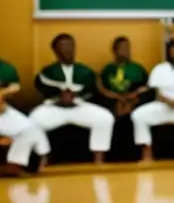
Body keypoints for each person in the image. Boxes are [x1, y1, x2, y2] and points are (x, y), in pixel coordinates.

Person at [30, 33, 115, 164]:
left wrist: (76, 97)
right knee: (33, 120)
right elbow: (43, 88)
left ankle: (99, 160)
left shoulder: (86, 71)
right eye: (63, 47)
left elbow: (92, 91)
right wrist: (59, 97)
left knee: (105, 118)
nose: (68, 49)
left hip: (79, 106)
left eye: (70, 46)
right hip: (55, 108)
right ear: (55, 51)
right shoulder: (47, 72)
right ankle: (43, 159)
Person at [0, 58, 50, 173]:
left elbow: (15, 86)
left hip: (4, 114)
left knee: (30, 130)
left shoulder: (5, 68)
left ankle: (14, 165)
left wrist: (2, 92)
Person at [97, 36, 150, 118]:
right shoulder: (108, 69)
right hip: (114, 100)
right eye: (123, 48)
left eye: (128, 48)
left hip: (133, 98)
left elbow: (147, 85)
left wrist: (135, 94)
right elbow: (100, 87)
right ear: (114, 51)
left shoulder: (137, 68)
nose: (127, 51)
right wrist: (116, 96)